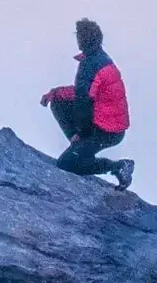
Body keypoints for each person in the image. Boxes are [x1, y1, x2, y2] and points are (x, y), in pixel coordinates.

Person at [42, 18, 134, 190]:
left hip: (106, 131)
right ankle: (80, 148)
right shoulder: (101, 59)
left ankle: (118, 167)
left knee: (66, 164)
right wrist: (55, 93)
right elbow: (83, 93)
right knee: (58, 101)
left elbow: (83, 102)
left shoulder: (90, 65)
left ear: (81, 40)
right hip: (109, 126)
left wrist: (80, 133)